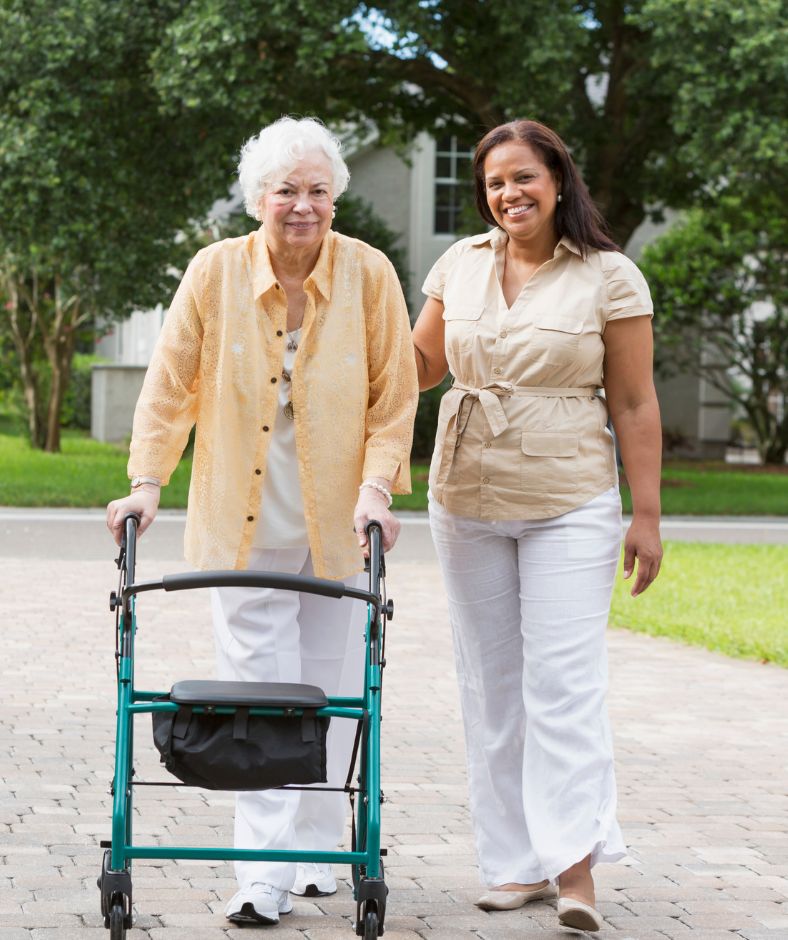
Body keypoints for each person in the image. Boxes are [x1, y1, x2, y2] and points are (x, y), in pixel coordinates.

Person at [106, 116, 418, 927]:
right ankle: (265, 875)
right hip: (238, 526)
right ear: (258, 199)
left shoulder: (370, 274)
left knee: (333, 695)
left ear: (336, 198)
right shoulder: (213, 273)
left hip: (338, 522)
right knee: (261, 700)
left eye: (318, 190)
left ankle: (316, 851)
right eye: (286, 190)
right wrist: (147, 485)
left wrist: (379, 490)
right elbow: (169, 388)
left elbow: (394, 397)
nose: (303, 206)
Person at [412, 119, 662, 933]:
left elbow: (632, 401)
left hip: (570, 499)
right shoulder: (460, 265)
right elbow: (417, 367)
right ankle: (515, 866)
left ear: (557, 179)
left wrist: (648, 515)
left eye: (523, 177)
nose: (508, 194)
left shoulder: (609, 276)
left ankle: (576, 870)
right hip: (465, 496)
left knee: (563, 688)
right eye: (493, 183)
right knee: (490, 688)